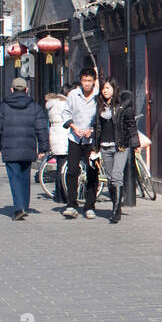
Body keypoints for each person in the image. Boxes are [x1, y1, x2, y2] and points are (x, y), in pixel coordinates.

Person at [0, 77, 50, 221]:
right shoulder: (34, 106)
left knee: (14, 178)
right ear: (26, 90)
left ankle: (18, 208)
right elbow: (42, 128)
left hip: (10, 149)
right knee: (24, 177)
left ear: (11, 90)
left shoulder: (3, 107)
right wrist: (43, 148)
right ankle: (24, 205)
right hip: (28, 148)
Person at [93, 77, 137, 224]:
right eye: (103, 88)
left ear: (114, 89)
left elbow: (131, 125)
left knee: (117, 176)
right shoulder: (99, 105)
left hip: (120, 146)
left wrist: (134, 144)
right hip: (105, 147)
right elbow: (97, 128)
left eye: (108, 88)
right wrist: (95, 147)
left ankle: (116, 211)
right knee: (111, 180)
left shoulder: (123, 106)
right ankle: (115, 205)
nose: (105, 91)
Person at [61, 66, 99, 219]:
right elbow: (65, 112)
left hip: (91, 139)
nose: (87, 84)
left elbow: (102, 116)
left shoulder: (98, 96)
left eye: (90, 81)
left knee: (92, 172)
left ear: (94, 82)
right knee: (72, 171)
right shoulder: (73, 95)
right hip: (75, 138)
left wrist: (92, 129)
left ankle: (90, 205)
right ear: (81, 81)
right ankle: (71, 204)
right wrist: (73, 127)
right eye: (84, 80)